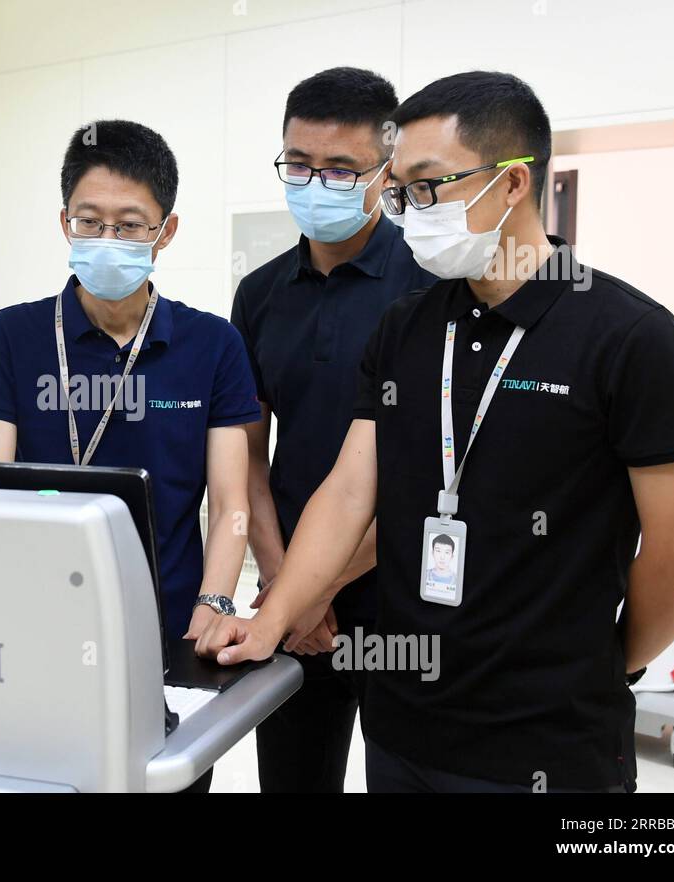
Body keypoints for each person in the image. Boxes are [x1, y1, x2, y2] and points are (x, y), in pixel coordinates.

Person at [198, 71, 674, 794]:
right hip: (407, 727)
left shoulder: (630, 338)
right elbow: (350, 492)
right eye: (402, 190)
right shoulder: (408, 327)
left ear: (511, 185)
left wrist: (605, 663)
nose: (409, 210)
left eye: (428, 184)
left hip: (549, 743)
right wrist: (275, 613)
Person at [0, 120, 260, 792]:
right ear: (64, 222)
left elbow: (231, 502)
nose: (107, 240)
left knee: (164, 777)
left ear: (165, 231)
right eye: (89, 221)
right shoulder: (12, 335)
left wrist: (216, 598)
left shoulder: (213, 345)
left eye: (130, 225)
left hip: (169, 622)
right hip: (36, 620)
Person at [231, 67, 435, 793]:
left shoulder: (431, 283)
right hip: (285, 583)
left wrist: (321, 587)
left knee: (403, 778)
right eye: (299, 165)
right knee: (292, 778)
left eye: (342, 169)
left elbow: (438, 471)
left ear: (386, 171)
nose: (315, 184)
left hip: (401, 588)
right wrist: (288, 583)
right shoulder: (258, 295)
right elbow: (246, 461)